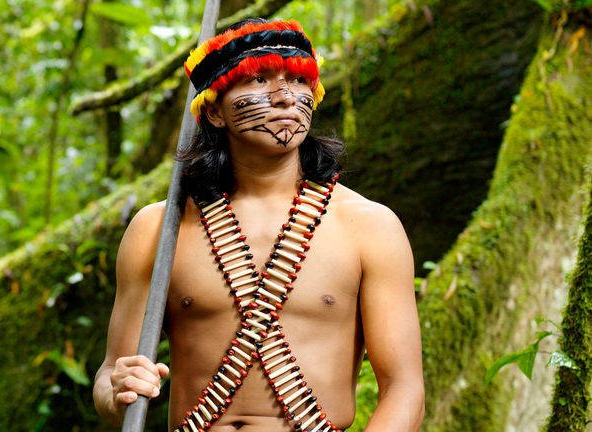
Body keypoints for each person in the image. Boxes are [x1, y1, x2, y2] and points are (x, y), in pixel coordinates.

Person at [93, 18, 424, 432]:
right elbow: (108, 380)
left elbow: (405, 389)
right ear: (213, 110)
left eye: (297, 80)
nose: (284, 96)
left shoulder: (369, 226)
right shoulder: (159, 229)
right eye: (259, 80)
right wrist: (119, 387)